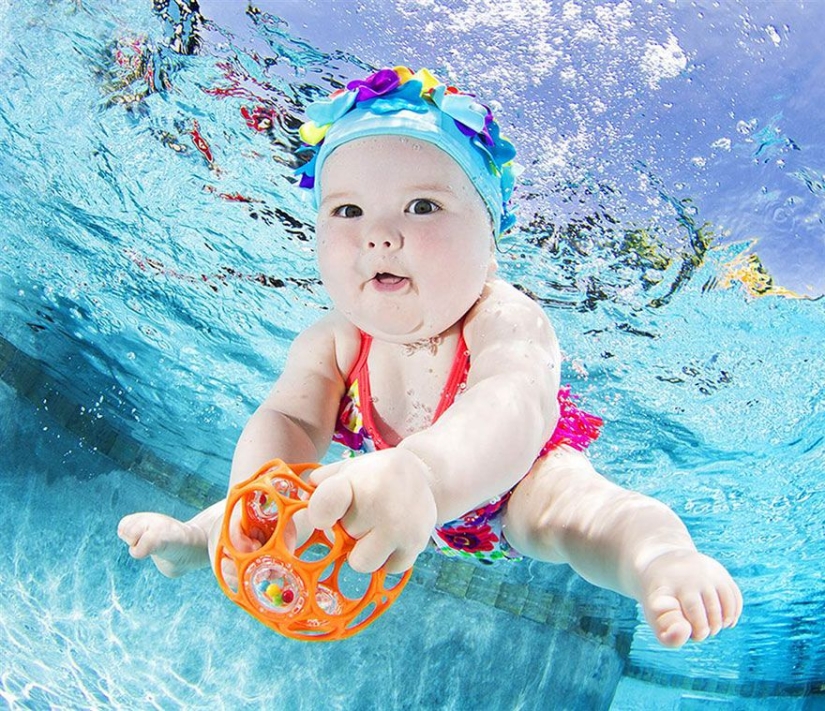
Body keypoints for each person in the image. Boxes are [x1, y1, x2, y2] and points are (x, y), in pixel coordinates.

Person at [118, 66, 742, 648]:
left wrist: (424, 475)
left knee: (568, 512)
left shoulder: (503, 317)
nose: (379, 233)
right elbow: (292, 424)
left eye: (422, 206)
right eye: (348, 209)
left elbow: (514, 402)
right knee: (296, 488)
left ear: (490, 246)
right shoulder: (332, 341)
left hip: (509, 482)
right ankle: (211, 536)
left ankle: (659, 557)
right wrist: (255, 501)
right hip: (392, 497)